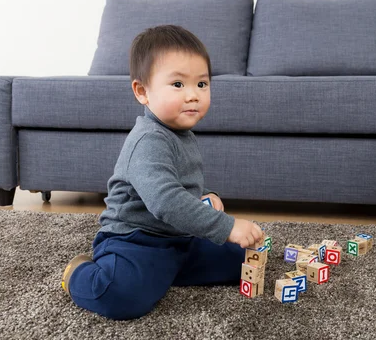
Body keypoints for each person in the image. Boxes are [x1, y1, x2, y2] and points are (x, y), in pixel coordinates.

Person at [61, 25, 264, 320]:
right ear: (142, 91)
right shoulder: (148, 140)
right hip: (136, 239)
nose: (193, 95)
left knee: (241, 261)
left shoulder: (181, 134)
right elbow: (166, 201)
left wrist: (206, 197)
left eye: (202, 84)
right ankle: (79, 273)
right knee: (122, 298)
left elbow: (182, 188)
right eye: (178, 85)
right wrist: (227, 226)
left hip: (180, 238)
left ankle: (166, 271)